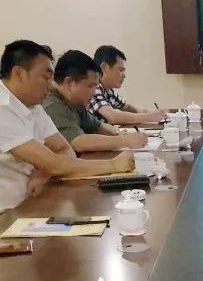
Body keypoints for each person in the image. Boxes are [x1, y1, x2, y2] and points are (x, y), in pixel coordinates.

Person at [0, 40, 133, 213]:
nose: (51, 85)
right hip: (8, 214)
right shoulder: (3, 108)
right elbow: (54, 162)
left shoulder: (33, 105)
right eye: (46, 77)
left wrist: (44, 173)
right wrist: (113, 165)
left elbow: (64, 149)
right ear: (19, 73)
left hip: (35, 201)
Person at [43, 50, 148, 153]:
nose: (94, 93)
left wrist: (120, 133)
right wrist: (125, 141)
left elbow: (97, 126)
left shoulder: (75, 102)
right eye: (90, 86)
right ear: (69, 83)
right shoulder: (53, 105)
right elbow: (78, 142)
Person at [88, 45, 165, 125]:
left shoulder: (108, 90)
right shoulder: (93, 88)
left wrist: (151, 112)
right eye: (120, 70)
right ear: (104, 67)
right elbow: (113, 117)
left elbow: (127, 107)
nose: (124, 76)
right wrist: (149, 117)